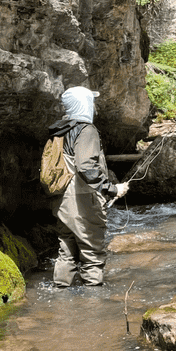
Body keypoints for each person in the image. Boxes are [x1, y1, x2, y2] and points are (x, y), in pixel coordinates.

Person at [49, 86, 127, 287]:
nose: (93, 106)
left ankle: (60, 298)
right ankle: (93, 306)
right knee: (92, 253)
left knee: (66, 251)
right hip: (83, 199)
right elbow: (85, 166)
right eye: (90, 101)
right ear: (84, 104)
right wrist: (112, 189)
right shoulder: (87, 130)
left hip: (62, 200)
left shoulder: (59, 130)